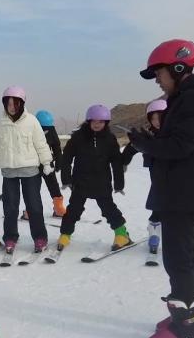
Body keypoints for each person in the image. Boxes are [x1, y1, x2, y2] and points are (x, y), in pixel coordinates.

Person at [128, 39, 194, 338]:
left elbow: (180, 147)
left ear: (178, 68)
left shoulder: (192, 100)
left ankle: (187, 329)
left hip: (183, 193)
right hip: (186, 191)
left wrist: (145, 144)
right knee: (188, 253)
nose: (157, 80)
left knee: (178, 258)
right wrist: (151, 140)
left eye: (159, 73)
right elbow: (181, 142)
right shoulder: (190, 98)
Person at [0, 86, 54, 255]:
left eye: (15, 104)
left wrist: (47, 163)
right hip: (9, 172)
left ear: (22, 103)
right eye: (8, 104)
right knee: (10, 208)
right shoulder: (0, 124)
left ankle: (40, 237)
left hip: (30, 172)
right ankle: (10, 237)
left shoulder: (32, 121)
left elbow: (41, 144)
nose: (11, 107)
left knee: (34, 206)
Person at [56, 104, 129, 251]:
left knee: (108, 209)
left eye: (101, 121)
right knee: (73, 210)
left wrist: (119, 184)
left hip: (102, 183)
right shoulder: (78, 137)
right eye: (94, 121)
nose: (97, 124)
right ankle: (65, 234)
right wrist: (66, 179)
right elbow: (67, 158)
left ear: (106, 122)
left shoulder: (110, 139)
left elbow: (116, 162)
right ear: (89, 121)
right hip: (80, 182)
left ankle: (122, 234)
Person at [122, 99, 167, 256]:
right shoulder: (147, 136)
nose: (157, 121)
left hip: (178, 178)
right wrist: (124, 162)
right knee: (157, 205)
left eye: (160, 117)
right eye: (153, 118)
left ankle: (190, 235)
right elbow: (131, 148)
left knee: (181, 210)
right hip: (158, 178)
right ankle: (154, 234)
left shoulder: (176, 134)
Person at [35, 110, 66, 217]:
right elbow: (57, 147)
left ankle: (31, 211)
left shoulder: (34, 130)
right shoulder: (51, 130)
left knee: (34, 188)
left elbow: (56, 147)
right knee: (52, 186)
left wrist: (59, 162)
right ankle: (58, 209)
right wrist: (58, 162)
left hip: (40, 164)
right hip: (43, 163)